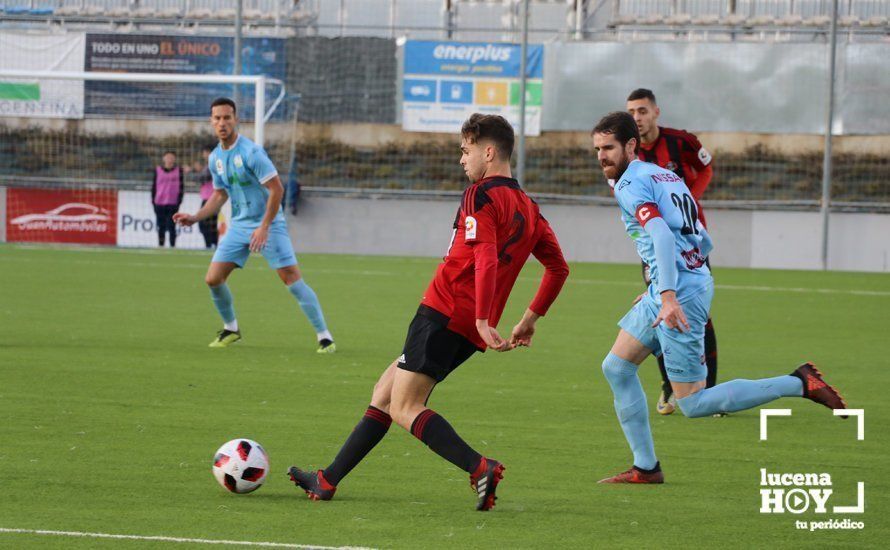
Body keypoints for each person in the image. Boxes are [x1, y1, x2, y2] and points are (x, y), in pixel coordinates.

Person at [286, 113, 569, 511]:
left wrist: (484, 318)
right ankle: (328, 480)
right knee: (385, 394)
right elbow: (559, 268)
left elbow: (486, 256)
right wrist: (528, 320)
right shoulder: (530, 208)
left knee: (403, 407)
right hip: (467, 331)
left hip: (445, 311)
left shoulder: (481, 195)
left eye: (465, 150)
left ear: (488, 152)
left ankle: (479, 466)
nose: (461, 160)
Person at [591, 111, 847, 484]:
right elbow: (694, 234)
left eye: (608, 148)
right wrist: (661, 284)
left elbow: (662, 237)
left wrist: (667, 294)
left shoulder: (630, 184)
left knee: (693, 402)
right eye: (597, 149)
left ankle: (800, 382)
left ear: (631, 145)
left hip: (678, 293)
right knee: (616, 367)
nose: (601, 156)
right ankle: (646, 468)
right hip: (680, 281)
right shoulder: (663, 174)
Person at [173, 97, 335, 353]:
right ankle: (231, 329)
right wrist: (195, 217)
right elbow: (219, 195)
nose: (222, 122)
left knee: (291, 280)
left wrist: (264, 227)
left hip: (269, 225)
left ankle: (324, 336)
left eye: (227, 117)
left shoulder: (251, 153)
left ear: (236, 120)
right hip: (238, 226)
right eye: (217, 118)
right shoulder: (215, 157)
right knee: (213, 279)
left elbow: (276, 189)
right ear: (211, 122)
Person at [626, 88, 717, 415]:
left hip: (690, 241)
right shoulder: (628, 155)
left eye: (642, 111)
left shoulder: (681, 142)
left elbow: (706, 168)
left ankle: (709, 389)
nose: (637, 117)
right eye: (632, 112)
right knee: (660, 309)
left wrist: (690, 198)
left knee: (699, 314)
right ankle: (670, 384)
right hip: (655, 245)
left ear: (655, 112)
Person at [151, 151, 184, 248]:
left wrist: (179, 201)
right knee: (161, 226)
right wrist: (153, 201)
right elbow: (154, 186)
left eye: (171, 157)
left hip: (173, 203)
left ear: (174, 159)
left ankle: (172, 246)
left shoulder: (179, 171)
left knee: (172, 226)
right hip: (159, 202)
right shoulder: (157, 170)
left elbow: (182, 186)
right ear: (163, 159)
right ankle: (161, 245)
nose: (169, 159)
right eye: (167, 157)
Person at [193, 145, 219, 249]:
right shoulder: (208, 165)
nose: (204, 155)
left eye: (206, 152)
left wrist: (194, 171)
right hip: (209, 197)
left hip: (212, 198)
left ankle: (210, 245)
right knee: (210, 223)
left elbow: (204, 177)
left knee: (204, 223)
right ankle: (211, 245)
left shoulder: (214, 165)